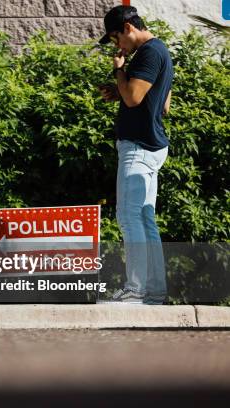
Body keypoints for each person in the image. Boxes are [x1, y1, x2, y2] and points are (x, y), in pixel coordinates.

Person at [98, 6, 173, 305]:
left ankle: (136, 288)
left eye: (117, 39)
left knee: (129, 217)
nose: (118, 47)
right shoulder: (160, 51)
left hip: (139, 148)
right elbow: (161, 102)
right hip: (151, 146)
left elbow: (133, 98)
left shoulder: (148, 53)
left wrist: (120, 70)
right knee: (144, 218)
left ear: (128, 27)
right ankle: (154, 290)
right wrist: (120, 89)